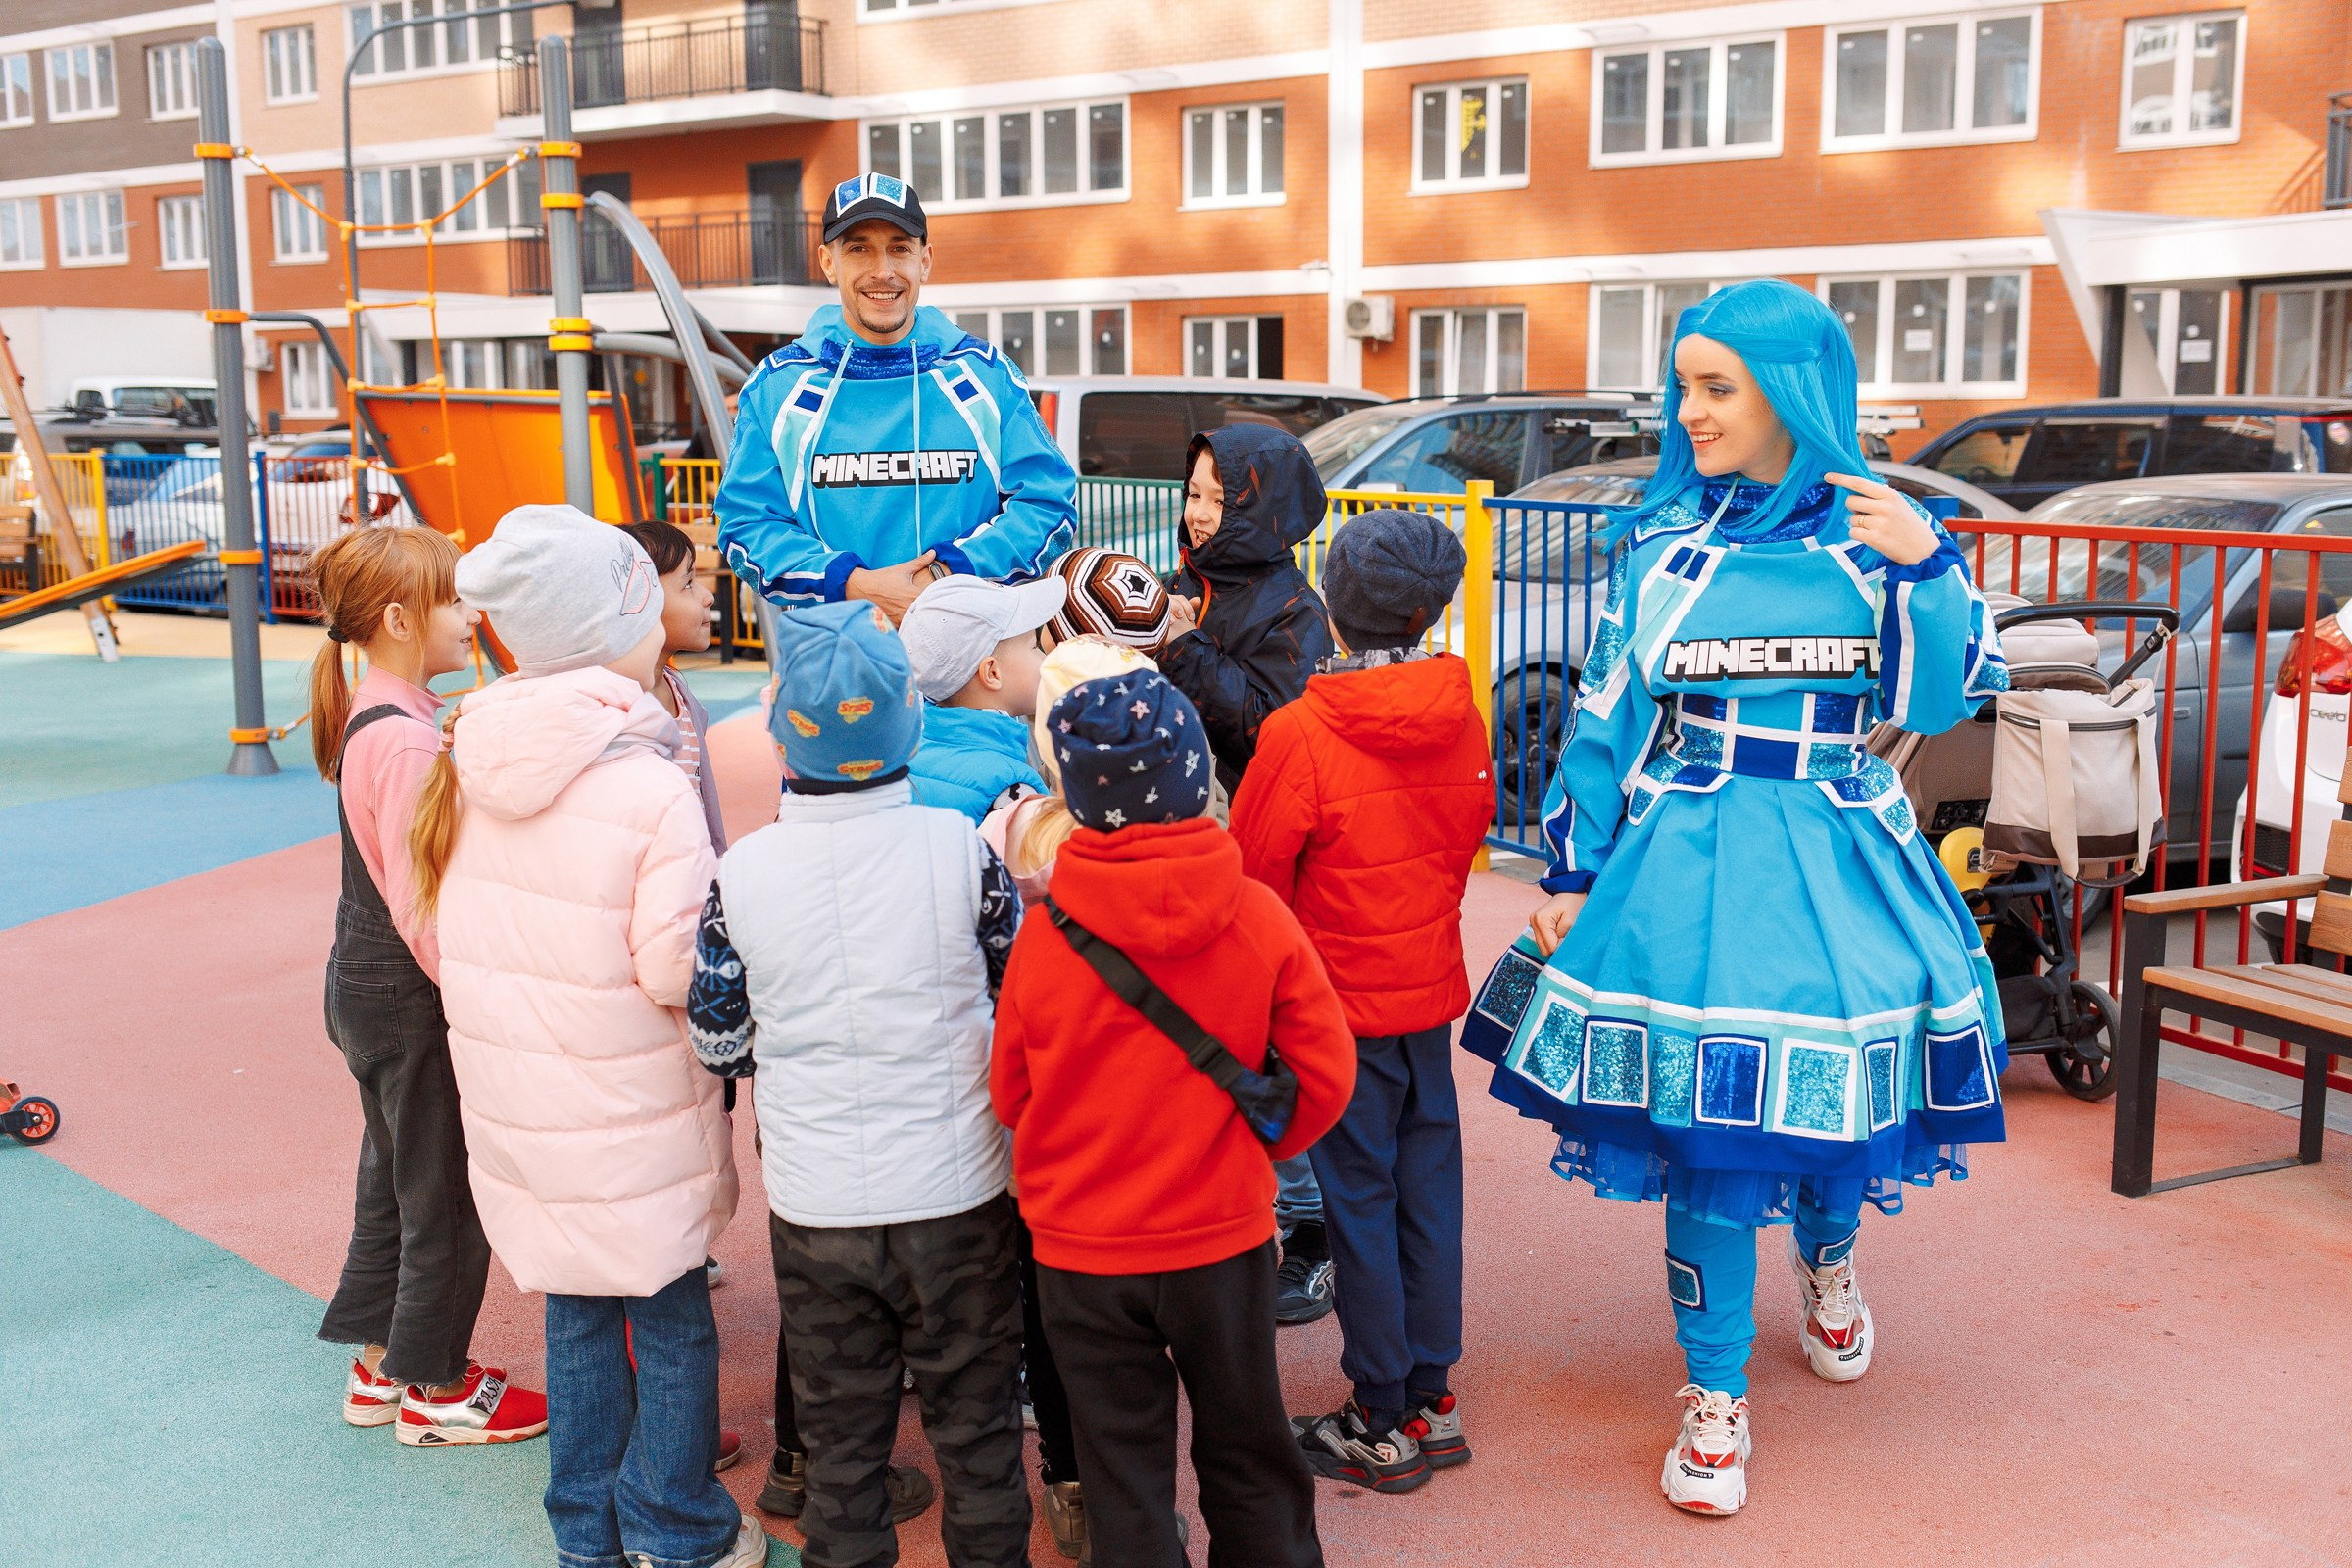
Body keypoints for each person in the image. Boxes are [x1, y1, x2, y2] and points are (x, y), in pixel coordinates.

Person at [1483, 279, 2009, 1517]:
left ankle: (1828, 1264)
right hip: (1689, 862)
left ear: (1795, 393)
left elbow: (1943, 702)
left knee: (1827, 1092)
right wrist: (1573, 866)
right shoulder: (1664, 544)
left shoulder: (1884, 532)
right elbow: (1607, 718)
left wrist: (1926, 566)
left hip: (1841, 853)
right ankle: (1715, 1401)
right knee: (1710, 1137)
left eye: (1718, 387)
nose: (1690, 411)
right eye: (1684, 385)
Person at [412, 506, 760, 1568]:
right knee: (666, 1321)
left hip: (525, 1107)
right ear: (617, 619)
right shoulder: (647, 784)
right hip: (632, 1106)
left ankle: (588, 1535)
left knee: (575, 1321)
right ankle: (680, 1527)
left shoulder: (465, 764)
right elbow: (671, 969)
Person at [685, 599, 1030, 1568]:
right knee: (979, 1433)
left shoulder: (741, 874)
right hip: (960, 1191)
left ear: (781, 739)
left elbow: (717, 1038)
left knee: (842, 1446)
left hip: (817, 1202)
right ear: (913, 724)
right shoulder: (964, 854)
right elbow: (1018, 999)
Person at [992, 668, 1356, 1568]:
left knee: (1121, 1464)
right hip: (1220, 1238)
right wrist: (1264, 1147)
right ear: (1199, 777)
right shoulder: (1258, 916)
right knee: (1248, 1443)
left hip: (1081, 1247)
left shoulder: (1046, 933)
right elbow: (1326, 1074)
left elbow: (1010, 1091)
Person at [1229, 509, 1494, 1494]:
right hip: (1426, 988)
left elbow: (1254, 876)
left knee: (1359, 1202)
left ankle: (1381, 1412)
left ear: (1331, 615)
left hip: (1335, 1005)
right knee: (1430, 1193)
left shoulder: (1299, 731)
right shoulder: (1460, 711)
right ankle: (1429, 1390)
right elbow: (1469, 826)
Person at [305, 524, 547, 1447]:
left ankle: (383, 1365)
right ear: (403, 617)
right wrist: (481, 1001)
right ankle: (437, 1388)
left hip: (362, 989)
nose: (470, 616)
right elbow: (421, 908)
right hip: (408, 998)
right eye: (454, 601)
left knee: (395, 1182)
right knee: (443, 1187)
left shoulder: (381, 713)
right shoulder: (404, 741)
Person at [1154, 423, 1339, 1325]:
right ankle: (1229, 1213)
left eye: (1219, 499)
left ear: (1266, 507)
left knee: (1266, 1038)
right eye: (1192, 493)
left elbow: (1274, 734)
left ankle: (1311, 1229)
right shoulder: (1192, 583)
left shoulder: (1294, 612)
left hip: (1260, 856)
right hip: (1189, 843)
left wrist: (1181, 650)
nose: (1196, 514)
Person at [715, 173, 1077, 624]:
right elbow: (746, 526)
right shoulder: (776, 387)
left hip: (976, 665)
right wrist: (855, 585)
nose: (882, 270)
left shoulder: (987, 375)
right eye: (859, 248)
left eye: (900, 248)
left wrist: (945, 576)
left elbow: (1048, 503)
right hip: (841, 668)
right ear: (828, 263)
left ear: (925, 260)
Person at [899, 574, 1062, 821]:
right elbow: (1041, 858)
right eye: (1033, 646)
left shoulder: (911, 756)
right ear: (992, 673)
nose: (1045, 658)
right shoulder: (1012, 788)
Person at [621, 519, 726, 857]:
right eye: (689, 584)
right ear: (641, 601)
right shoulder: (614, 703)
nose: (708, 596)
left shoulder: (677, 689)